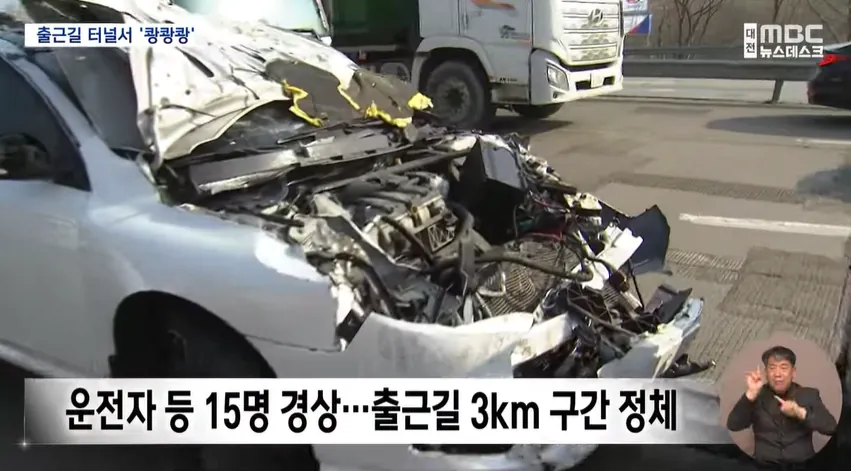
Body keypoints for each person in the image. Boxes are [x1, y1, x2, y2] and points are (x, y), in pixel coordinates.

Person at [726, 345, 837, 468]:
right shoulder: (757, 394)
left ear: (793, 373)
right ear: (766, 373)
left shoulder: (809, 395)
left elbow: (831, 428)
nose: (777, 374)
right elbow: (733, 425)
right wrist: (751, 394)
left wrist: (799, 412)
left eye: (783, 368)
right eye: (772, 368)